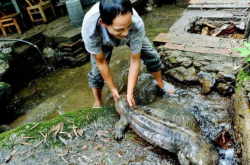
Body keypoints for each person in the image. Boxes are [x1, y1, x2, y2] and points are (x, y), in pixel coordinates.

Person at [81, 0, 175, 108]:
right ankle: (98, 101)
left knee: (152, 56)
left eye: (128, 26)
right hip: (102, 40)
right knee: (96, 74)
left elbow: (135, 60)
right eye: (120, 29)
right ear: (103, 23)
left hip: (133, 33)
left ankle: (160, 83)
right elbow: (101, 62)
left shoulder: (136, 24)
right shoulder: (90, 30)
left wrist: (130, 92)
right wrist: (113, 89)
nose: (125, 34)